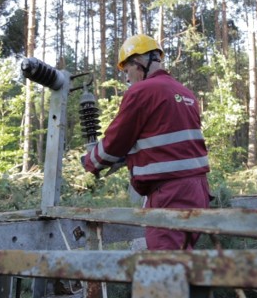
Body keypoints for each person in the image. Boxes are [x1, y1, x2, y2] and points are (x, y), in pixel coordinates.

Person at [81, 34, 211, 250]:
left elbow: (116, 140)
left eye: (126, 71)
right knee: (183, 262)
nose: (128, 79)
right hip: (198, 191)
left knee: (164, 268)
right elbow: (165, 141)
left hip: (170, 194)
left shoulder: (142, 91)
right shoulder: (185, 93)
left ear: (139, 62)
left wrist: (90, 162)